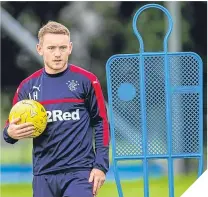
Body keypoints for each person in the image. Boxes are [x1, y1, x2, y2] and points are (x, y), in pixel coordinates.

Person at [3, 21, 110, 197]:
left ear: (70, 48)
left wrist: (100, 166)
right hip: (43, 174)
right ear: (40, 49)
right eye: (51, 48)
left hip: (80, 172)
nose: (57, 54)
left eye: (62, 47)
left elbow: (101, 123)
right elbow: (9, 131)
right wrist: (11, 133)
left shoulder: (87, 81)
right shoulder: (27, 87)